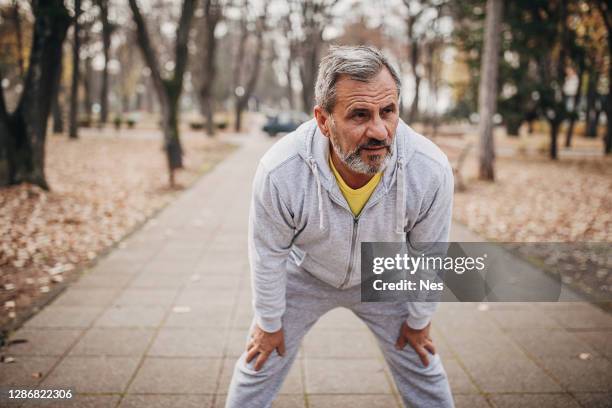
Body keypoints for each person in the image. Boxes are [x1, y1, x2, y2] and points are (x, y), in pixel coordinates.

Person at [226, 45, 455, 408]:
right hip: (306, 275)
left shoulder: (429, 169)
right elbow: (268, 253)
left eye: (389, 111)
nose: (379, 130)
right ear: (323, 120)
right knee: (259, 359)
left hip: (384, 273)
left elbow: (429, 251)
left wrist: (419, 317)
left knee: (423, 361)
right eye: (359, 115)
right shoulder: (281, 171)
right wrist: (269, 323)